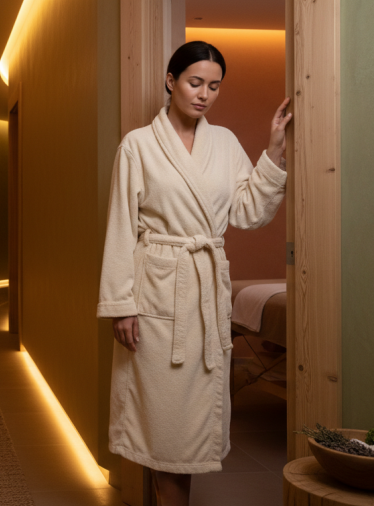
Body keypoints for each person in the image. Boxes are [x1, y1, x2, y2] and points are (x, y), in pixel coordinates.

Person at [96, 41, 292, 506]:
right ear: (171, 81)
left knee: (190, 423)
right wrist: (122, 305)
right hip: (157, 294)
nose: (204, 94)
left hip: (204, 295)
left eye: (214, 86)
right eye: (195, 82)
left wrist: (273, 152)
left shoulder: (222, 143)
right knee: (162, 421)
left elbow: (248, 212)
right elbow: (121, 227)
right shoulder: (138, 146)